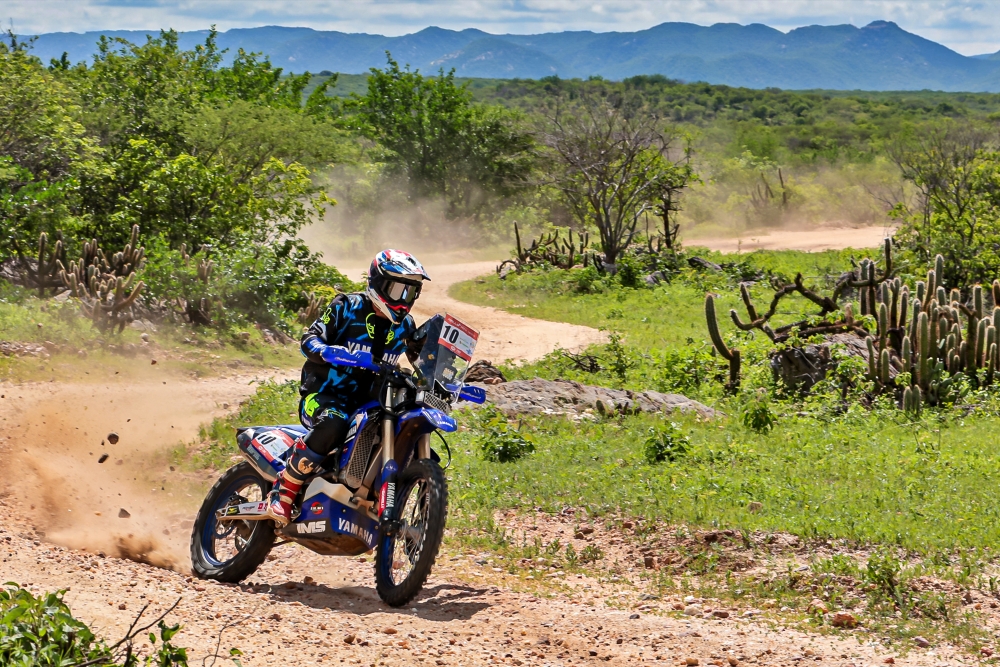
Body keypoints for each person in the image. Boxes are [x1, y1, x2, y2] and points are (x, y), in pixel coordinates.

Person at [266, 249, 430, 525]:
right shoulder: (348, 306)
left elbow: (423, 362)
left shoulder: (406, 326)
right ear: (379, 283)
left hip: (371, 404)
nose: (404, 301)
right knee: (334, 424)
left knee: (407, 431)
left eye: (411, 292)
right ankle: (283, 489)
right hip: (324, 396)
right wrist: (330, 352)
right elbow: (310, 339)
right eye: (399, 289)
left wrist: (445, 379)